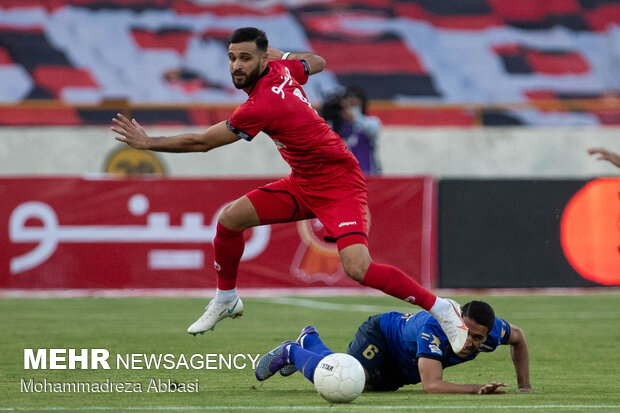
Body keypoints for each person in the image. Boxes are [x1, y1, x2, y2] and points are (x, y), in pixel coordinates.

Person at [110, 27, 468, 353]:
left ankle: (441, 308)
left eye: (246, 58)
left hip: (339, 184)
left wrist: (147, 142)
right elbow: (317, 61)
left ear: (262, 59)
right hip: (303, 182)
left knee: (358, 268)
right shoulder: (283, 70)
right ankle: (226, 298)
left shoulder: (261, 104)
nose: (236, 66)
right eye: (232, 58)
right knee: (230, 220)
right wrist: (278, 57)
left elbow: (203, 142)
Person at [256, 301, 533, 395]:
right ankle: (291, 351)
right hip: (382, 336)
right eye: (466, 334)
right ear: (457, 322)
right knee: (349, 380)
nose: (471, 342)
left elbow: (518, 337)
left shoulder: (492, 331)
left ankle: (310, 341)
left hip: (404, 365)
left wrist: (524, 387)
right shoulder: (433, 330)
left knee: (360, 386)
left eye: (478, 338)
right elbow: (431, 386)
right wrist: (476, 389)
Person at [320, 87, 382, 175]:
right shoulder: (337, 125)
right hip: (344, 177)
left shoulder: (371, 121)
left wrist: (355, 118)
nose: (348, 108)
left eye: (352, 103)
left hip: (368, 175)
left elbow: (373, 129)